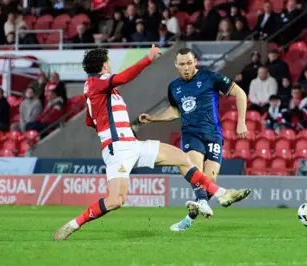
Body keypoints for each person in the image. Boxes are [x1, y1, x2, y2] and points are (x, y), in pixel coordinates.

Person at [53, 46, 250, 240]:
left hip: (131, 144)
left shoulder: (94, 89)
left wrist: (105, 122)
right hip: (118, 149)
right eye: (109, 62)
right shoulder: (99, 82)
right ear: (104, 65)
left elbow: (89, 120)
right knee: (116, 200)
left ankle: (222, 193)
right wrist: (148, 58)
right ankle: (72, 225)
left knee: (181, 158)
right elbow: (124, 78)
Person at [138, 48, 248, 232]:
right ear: (176, 65)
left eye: (189, 63)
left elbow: (240, 94)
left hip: (213, 134)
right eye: (182, 64)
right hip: (191, 134)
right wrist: (153, 118)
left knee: (208, 180)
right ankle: (212, 199)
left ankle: (190, 217)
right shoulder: (174, 87)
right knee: (194, 169)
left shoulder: (210, 77)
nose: (186, 68)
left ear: (195, 62)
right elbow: (175, 111)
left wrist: (241, 122)